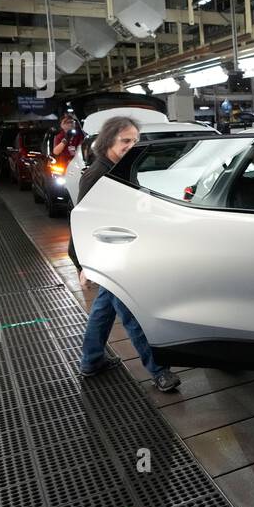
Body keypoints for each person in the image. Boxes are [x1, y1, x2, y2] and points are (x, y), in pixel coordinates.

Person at [68, 116, 182, 393]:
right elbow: (81, 221)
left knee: (104, 308)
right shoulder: (97, 175)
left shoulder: (120, 168)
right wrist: (83, 264)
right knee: (131, 312)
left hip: (120, 250)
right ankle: (159, 371)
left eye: (135, 140)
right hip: (108, 256)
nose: (132, 145)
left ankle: (91, 360)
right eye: (125, 141)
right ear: (108, 141)